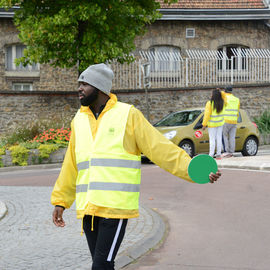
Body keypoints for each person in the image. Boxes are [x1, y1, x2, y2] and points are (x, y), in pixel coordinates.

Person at [51, 63, 221, 270]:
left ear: (100, 88)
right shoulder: (79, 120)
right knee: (102, 265)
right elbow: (71, 164)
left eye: (85, 83)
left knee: (101, 266)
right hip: (89, 210)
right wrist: (61, 200)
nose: (79, 88)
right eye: (80, 83)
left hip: (115, 209)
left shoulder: (128, 115)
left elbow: (159, 148)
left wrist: (194, 170)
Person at [202, 89, 225, 159]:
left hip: (212, 124)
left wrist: (204, 124)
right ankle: (218, 153)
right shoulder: (222, 102)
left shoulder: (209, 103)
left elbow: (207, 115)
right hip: (220, 123)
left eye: (212, 93)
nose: (210, 95)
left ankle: (211, 154)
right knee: (219, 138)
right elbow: (224, 95)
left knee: (212, 139)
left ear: (213, 95)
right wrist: (219, 91)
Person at [221, 86, 240, 158]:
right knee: (232, 137)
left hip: (226, 120)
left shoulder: (225, 98)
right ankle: (232, 152)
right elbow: (237, 111)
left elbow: (221, 93)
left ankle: (226, 151)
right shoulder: (236, 99)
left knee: (225, 136)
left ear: (225, 91)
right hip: (234, 121)